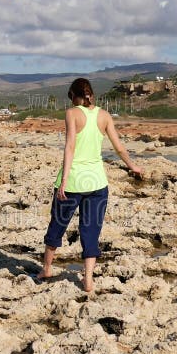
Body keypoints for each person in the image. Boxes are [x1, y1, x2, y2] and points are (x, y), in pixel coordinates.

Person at [37, 78, 143, 293]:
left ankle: (47, 269)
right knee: (91, 230)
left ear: (74, 95)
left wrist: (64, 181)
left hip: (74, 182)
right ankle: (88, 280)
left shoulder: (72, 113)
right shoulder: (104, 115)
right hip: (97, 183)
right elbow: (119, 147)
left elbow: (70, 147)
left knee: (58, 225)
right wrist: (133, 166)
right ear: (91, 94)